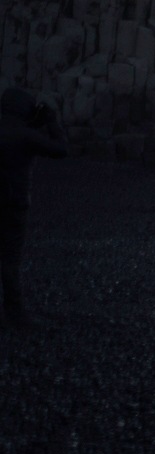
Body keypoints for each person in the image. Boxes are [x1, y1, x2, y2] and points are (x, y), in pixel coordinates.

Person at [1, 86, 69, 331]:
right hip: (13, 202)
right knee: (10, 260)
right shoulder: (24, 135)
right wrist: (52, 121)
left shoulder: (17, 131)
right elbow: (61, 150)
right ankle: (14, 313)